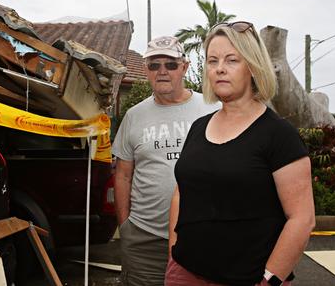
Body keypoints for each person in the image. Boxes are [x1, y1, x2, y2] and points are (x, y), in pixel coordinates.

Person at [166, 22, 315, 286]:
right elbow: (181, 192)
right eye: (212, 61)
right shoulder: (199, 127)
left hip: (249, 279)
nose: (220, 68)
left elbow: (302, 219)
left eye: (231, 60)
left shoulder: (279, 135)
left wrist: (269, 279)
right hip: (185, 272)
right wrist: (173, 251)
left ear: (253, 67)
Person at [112, 36, 220, 286]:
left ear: (183, 67)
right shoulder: (134, 116)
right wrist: (125, 226)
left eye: (170, 64)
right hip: (144, 239)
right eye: (154, 65)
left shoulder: (211, 109)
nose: (162, 71)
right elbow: (123, 174)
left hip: (200, 234)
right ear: (146, 71)